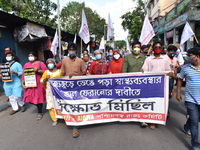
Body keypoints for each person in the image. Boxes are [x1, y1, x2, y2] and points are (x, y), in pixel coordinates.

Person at [141, 41, 173, 130]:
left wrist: (170, 73)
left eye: (159, 47)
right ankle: (151, 120)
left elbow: (168, 70)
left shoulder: (166, 59)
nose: (157, 49)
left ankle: (155, 120)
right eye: (156, 47)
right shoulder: (148, 59)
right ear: (153, 49)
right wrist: (142, 70)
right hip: (151, 84)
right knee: (151, 101)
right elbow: (145, 69)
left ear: (162, 49)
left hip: (162, 85)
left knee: (159, 102)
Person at [176, 47, 200, 150]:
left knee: (195, 118)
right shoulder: (186, 68)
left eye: (190, 56)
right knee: (195, 121)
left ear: (197, 57)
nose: (187, 58)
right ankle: (195, 143)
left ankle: (186, 127)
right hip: (190, 99)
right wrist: (178, 93)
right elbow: (180, 79)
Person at [61, 43, 86, 138]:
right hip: (67, 87)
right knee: (70, 105)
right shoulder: (64, 60)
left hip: (78, 87)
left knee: (77, 105)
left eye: (73, 49)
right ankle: (74, 124)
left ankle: (76, 125)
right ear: (68, 50)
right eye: (70, 49)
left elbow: (84, 73)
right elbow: (62, 72)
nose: (71, 51)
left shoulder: (80, 61)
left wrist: (76, 76)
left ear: (76, 51)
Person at [22, 52, 47, 120]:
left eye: (32, 55)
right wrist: (23, 83)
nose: (30, 57)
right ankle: (38, 105)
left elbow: (46, 72)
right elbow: (23, 75)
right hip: (29, 84)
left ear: (35, 57)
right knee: (27, 97)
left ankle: (40, 112)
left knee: (39, 98)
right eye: (29, 55)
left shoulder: (40, 63)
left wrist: (38, 70)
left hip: (38, 83)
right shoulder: (26, 64)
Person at [41, 58, 62, 126]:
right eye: (48, 63)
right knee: (51, 105)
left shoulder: (60, 72)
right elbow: (41, 81)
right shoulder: (46, 72)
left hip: (59, 92)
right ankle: (54, 119)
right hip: (49, 92)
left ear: (54, 63)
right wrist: (46, 79)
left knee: (60, 104)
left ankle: (63, 117)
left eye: (51, 62)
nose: (50, 64)